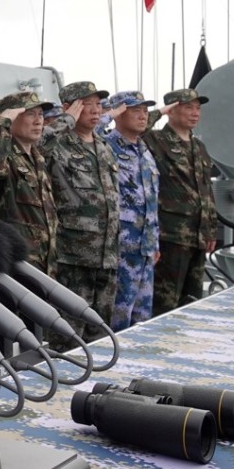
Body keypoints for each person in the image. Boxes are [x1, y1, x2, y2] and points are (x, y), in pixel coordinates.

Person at [40, 80, 119, 343]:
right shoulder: (56, 144)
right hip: (72, 256)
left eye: (98, 104)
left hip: (107, 255)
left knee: (101, 331)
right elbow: (33, 148)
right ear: (68, 108)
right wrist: (64, 121)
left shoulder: (104, 147)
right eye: (87, 104)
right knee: (68, 335)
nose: (96, 110)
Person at [143, 88, 217, 316]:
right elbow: (136, 128)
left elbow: (206, 191)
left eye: (198, 108)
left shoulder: (199, 147)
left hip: (198, 237)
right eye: (188, 107)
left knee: (193, 302)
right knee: (165, 304)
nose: (195, 113)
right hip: (170, 236)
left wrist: (211, 229)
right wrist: (159, 112)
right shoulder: (157, 140)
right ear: (172, 110)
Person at [99, 91, 160, 330]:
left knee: (142, 321)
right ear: (119, 114)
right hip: (120, 248)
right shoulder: (106, 145)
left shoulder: (145, 151)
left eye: (145, 111)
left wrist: (155, 243)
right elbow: (81, 135)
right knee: (117, 320)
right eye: (135, 111)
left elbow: (151, 200)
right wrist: (109, 115)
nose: (143, 116)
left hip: (145, 249)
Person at [0, 91, 58, 276]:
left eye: (40, 114)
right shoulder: (4, 157)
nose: (38, 120)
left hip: (46, 263)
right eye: (30, 114)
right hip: (17, 266)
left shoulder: (38, 158)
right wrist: (3, 121)